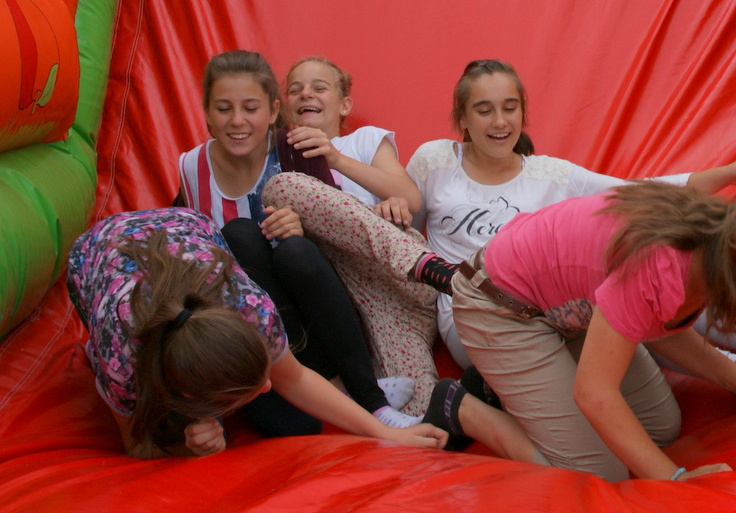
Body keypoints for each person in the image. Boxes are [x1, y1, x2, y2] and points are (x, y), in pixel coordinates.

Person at [400, 59, 736, 380]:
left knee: (674, 275)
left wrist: (729, 172)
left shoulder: (551, 174)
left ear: (523, 113)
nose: (499, 122)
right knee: (640, 296)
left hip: (555, 301)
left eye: (510, 108)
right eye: (484, 110)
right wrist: (390, 206)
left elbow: (639, 193)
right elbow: (404, 227)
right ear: (463, 119)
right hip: (475, 311)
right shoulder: (434, 162)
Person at [446, 183, 736, 481]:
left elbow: (661, 321)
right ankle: (466, 408)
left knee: (661, 426)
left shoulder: (711, 247)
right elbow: (593, 392)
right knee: (601, 472)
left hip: (570, 310)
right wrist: (674, 478)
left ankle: (508, 384)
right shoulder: (661, 261)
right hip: (500, 307)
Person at [66, 207, 447, 459]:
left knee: (292, 422)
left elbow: (293, 377)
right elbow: (138, 444)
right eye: (249, 389)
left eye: (261, 375)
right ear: (190, 394)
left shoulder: (248, 306)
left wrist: (385, 432)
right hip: (96, 251)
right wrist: (185, 446)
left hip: (185, 229)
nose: (268, 386)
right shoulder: (121, 361)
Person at [176, 50, 424, 432]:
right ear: (207, 114)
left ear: (273, 111)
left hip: (322, 310)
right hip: (253, 328)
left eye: (250, 108)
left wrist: (303, 227)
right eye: (224, 109)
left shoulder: (299, 149)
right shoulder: (192, 167)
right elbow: (182, 248)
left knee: (293, 249)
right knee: (238, 235)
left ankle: (367, 395)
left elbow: (336, 230)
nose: (237, 120)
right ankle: (331, 389)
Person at [265, 56, 455, 414]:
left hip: (402, 279)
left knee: (282, 187)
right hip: (355, 303)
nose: (306, 94)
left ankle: (422, 263)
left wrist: (336, 159)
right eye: (295, 89)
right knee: (416, 411)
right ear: (283, 107)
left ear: (344, 105)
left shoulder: (362, 141)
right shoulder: (274, 156)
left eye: (319, 87)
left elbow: (412, 198)